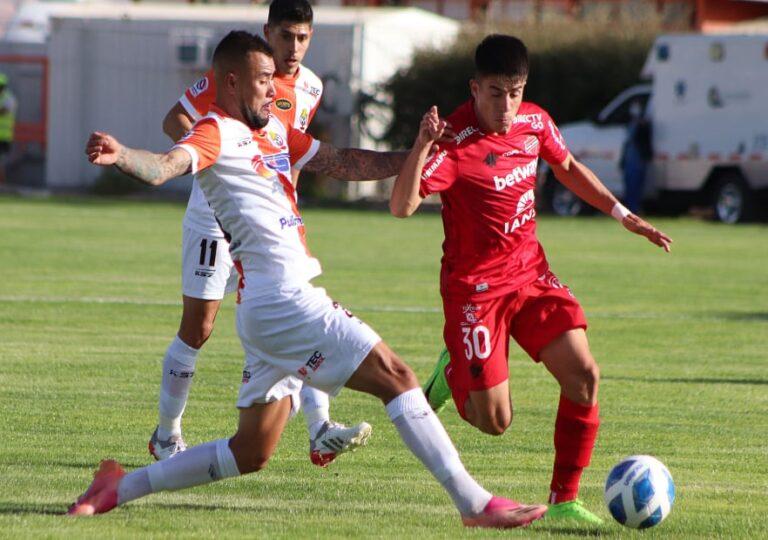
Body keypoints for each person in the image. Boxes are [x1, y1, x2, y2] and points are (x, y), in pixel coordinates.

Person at [69, 31, 548, 529]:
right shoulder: (214, 130)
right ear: (231, 83)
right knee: (398, 378)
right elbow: (163, 166)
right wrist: (122, 154)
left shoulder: (274, 130)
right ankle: (474, 503)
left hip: (266, 308)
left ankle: (118, 486)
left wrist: (421, 151)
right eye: (261, 81)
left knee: (249, 452)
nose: (272, 89)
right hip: (285, 302)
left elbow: (342, 162)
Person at [389, 34, 672, 525]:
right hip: (475, 292)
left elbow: (567, 166)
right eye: (496, 92)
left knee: (584, 375)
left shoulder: (534, 121)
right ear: (474, 88)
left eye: (515, 91)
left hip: (530, 275)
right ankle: (451, 372)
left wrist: (622, 213)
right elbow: (402, 206)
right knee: (494, 422)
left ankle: (564, 501)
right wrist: (421, 144)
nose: (506, 104)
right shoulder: (453, 142)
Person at [150, 0, 369, 467]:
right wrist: (218, 166)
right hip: (214, 217)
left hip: (272, 228)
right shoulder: (234, 75)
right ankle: (166, 435)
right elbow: (175, 120)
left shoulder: (310, 86)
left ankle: (320, 429)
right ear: (268, 32)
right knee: (199, 328)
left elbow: (292, 153)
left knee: (299, 309)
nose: (294, 47)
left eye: (303, 37)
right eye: (286, 36)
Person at [620, 99, 652, 214]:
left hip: (638, 161)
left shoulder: (643, 125)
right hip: (630, 162)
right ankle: (630, 209)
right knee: (629, 187)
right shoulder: (630, 124)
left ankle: (635, 209)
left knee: (636, 187)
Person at [0, 72, 17, 184]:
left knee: (2, 162)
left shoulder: (9, 99)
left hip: (4, 137)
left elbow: (4, 111)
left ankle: (2, 185)